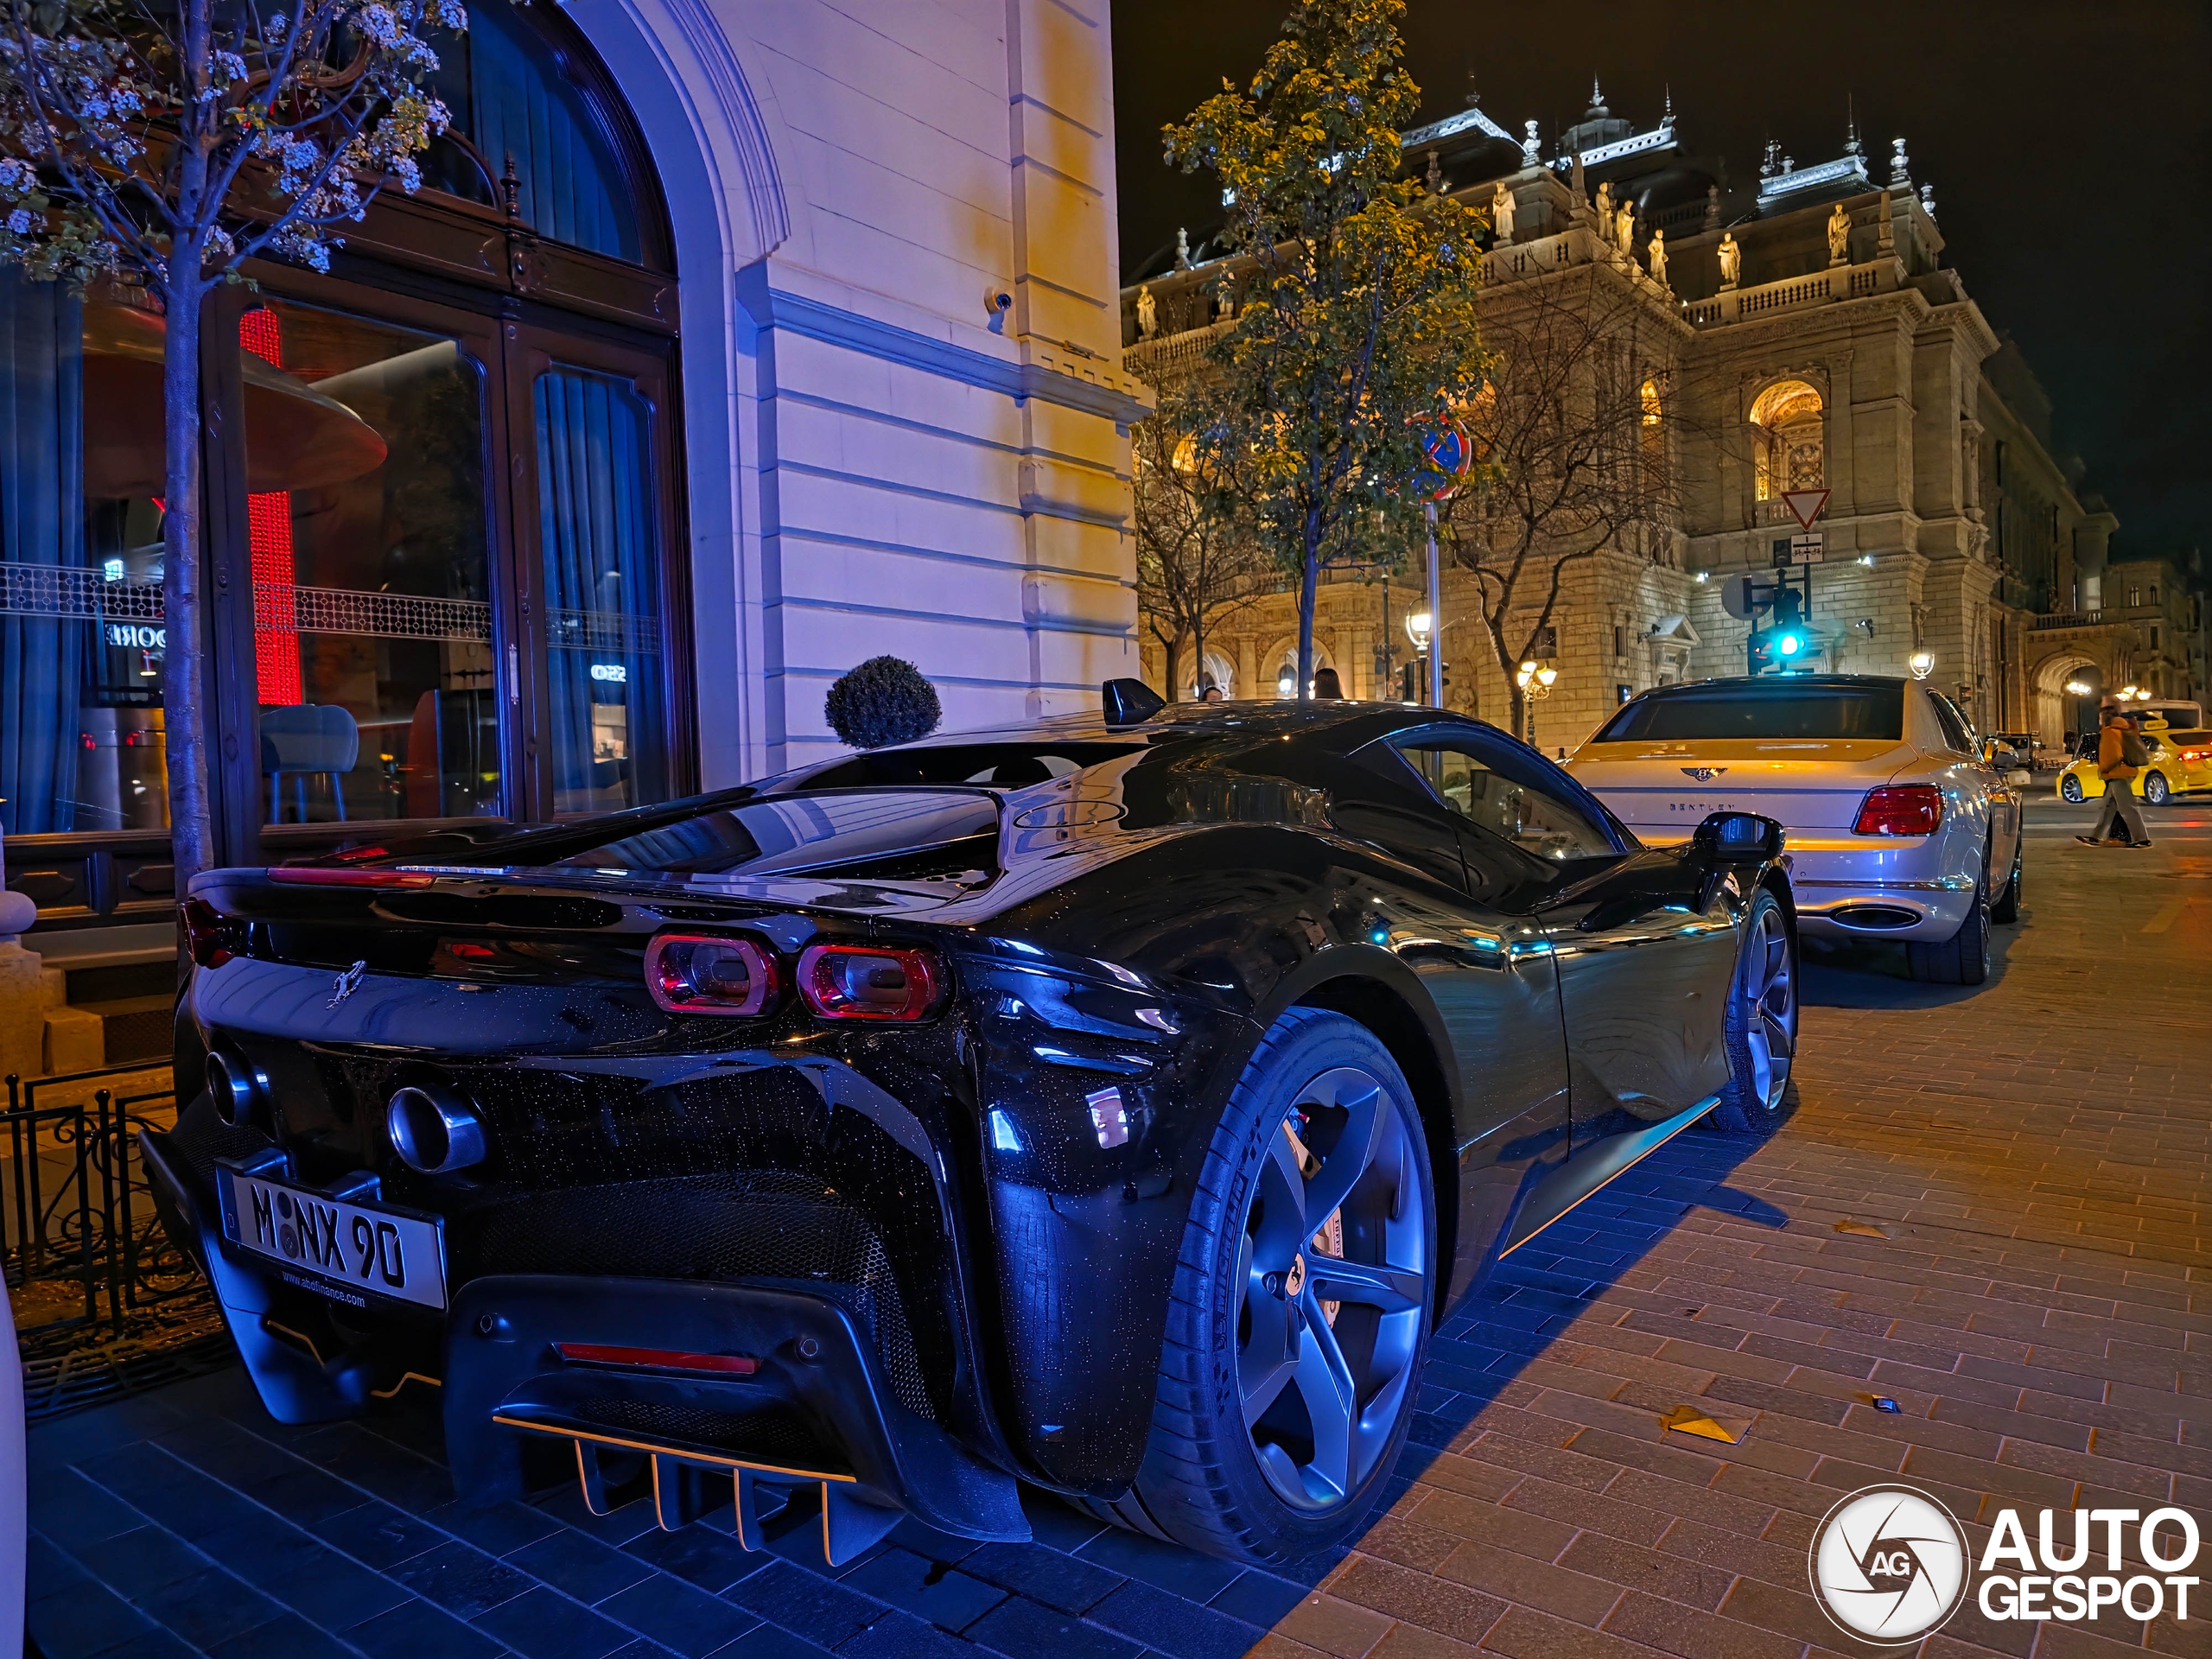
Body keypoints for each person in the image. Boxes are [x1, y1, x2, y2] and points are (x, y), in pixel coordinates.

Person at [2078, 704, 2152, 848]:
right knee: (2107, 807)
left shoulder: (2110, 731)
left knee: (2128, 808)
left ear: (2105, 717)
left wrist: (2104, 768)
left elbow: (2114, 755)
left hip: (2118, 773)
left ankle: (2142, 839)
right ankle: (2096, 837)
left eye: (2100, 716)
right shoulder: (2124, 729)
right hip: (2122, 772)